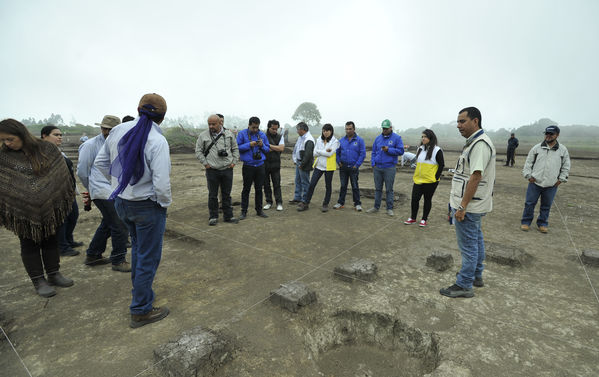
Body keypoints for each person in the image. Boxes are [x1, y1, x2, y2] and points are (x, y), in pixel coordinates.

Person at [95, 93, 171, 328]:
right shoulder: (158, 141)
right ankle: (140, 310)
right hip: (147, 207)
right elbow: (161, 184)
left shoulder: (118, 131)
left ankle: (142, 295)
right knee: (148, 256)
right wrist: (163, 204)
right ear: (162, 117)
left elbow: (100, 164)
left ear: (138, 109)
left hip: (122, 203)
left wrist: (120, 186)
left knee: (138, 250)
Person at [0, 119, 75, 297]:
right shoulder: (3, 157)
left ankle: (54, 273)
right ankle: (38, 280)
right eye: (3, 140)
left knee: (51, 239)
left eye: (10, 139)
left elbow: (60, 174)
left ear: (21, 134)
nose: (7, 143)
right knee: (29, 243)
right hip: (22, 211)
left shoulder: (47, 148)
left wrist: (53, 197)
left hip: (50, 205)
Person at [440, 107, 495, 299]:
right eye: (458, 121)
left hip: (470, 206)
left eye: (463, 121)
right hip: (474, 204)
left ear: (476, 121)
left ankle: (464, 284)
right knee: (476, 240)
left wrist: (462, 206)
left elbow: (475, 176)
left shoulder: (480, 144)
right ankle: (476, 276)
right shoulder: (474, 143)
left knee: (469, 246)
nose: (458, 125)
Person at [77, 115, 131, 272]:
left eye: (110, 129)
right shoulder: (90, 145)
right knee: (120, 224)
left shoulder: (117, 143)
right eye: (104, 128)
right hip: (101, 190)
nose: (106, 131)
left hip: (113, 189)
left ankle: (93, 255)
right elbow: (82, 171)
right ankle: (118, 260)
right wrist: (92, 189)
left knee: (108, 223)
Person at [40, 125, 82, 257]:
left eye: (60, 135)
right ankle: (62, 247)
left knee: (73, 216)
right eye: (56, 135)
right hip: (56, 194)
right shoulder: (42, 153)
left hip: (68, 192)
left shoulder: (59, 151)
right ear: (44, 136)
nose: (60, 137)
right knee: (61, 220)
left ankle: (68, 241)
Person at [520, 125, 570, 233]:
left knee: (546, 205)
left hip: (551, 184)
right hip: (535, 182)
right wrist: (528, 175)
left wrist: (561, 179)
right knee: (529, 203)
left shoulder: (562, 150)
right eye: (546, 133)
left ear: (557, 135)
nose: (548, 136)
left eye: (551, 134)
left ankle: (542, 223)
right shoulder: (537, 148)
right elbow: (528, 163)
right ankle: (526, 222)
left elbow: (566, 166)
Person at [195, 114, 239, 226]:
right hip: (212, 170)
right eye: (209, 124)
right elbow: (198, 151)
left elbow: (235, 149)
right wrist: (206, 164)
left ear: (220, 123)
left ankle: (228, 216)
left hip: (227, 169)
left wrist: (234, 162)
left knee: (226, 194)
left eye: (213, 124)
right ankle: (213, 217)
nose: (211, 126)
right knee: (213, 195)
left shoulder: (229, 134)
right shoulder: (203, 136)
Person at [404, 130, 445, 227]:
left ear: (431, 138)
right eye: (422, 136)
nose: (423, 138)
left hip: (430, 181)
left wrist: (436, 177)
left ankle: (424, 219)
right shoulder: (420, 149)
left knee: (427, 200)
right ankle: (413, 218)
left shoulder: (437, 150)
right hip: (418, 179)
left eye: (425, 137)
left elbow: (441, 165)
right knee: (414, 199)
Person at [298, 123, 339, 212]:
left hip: (329, 167)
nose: (325, 133)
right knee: (312, 184)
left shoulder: (335, 141)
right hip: (319, 166)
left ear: (331, 131)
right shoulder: (319, 140)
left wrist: (319, 151)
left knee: (328, 186)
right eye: (324, 131)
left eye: (327, 131)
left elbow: (329, 154)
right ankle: (306, 203)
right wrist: (324, 151)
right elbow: (314, 153)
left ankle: (325, 204)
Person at [367, 119, 404, 216]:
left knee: (389, 189)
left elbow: (401, 151)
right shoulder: (378, 138)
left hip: (389, 168)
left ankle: (389, 208)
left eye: (386, 128)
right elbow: (374, 152)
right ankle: (376, 207)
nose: (385, 130)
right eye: (383, 128)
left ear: (391, 128)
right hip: (378, 168)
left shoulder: (397, 138)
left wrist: (389, 150)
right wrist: (373, 163)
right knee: (378, 188)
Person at [237, 116, 270, 220]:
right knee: (246, 189)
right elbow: (237, 148)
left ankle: (259, 210)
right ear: (249, 125)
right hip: (248, 166)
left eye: (257, 127)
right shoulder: (242, 134)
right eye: (253, 127)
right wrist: (249, 144)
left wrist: (262, 145)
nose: (255, 130)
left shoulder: (262, 135)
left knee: (259, 189)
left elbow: (267, 149)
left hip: (260, 165)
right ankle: (244, 211)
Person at [333, 121, 366, 211]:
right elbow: (337, 152)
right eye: (346, 129)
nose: (348, 131)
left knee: (355, 186)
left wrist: (357, 165)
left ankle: (357, 204)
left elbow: (362, 154)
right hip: (343, 167)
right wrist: (339, 162)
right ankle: (340, 202)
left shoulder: (359, 140)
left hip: (353, 167)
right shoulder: (341, 141)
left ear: (354, 129)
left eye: (350, 129)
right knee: (343, 185)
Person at [289, 122, 315, 205]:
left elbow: (308, 154)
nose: (297, 131)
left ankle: (305, 200)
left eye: (298, 129)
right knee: (298, 180)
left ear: (303, 130)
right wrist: (295, 160)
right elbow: (296, 149)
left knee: (305, 182)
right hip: (299, 162)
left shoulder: (309, 139)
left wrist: (302, 164)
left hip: (304, 164)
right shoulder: (301, 138)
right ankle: (297, 197)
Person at [263, 119, 285, 211]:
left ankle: (279, 202)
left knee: (277, 184)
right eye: (273, 129)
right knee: (266, 184)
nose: (275, 131)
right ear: (269, 127)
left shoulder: (280, 136)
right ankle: (269, 202)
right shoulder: (263, 136)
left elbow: (281, 148)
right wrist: (275, 147)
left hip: (276, 164)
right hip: (265, 164)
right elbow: (263, 148)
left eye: (276, 129)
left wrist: (269, 146)